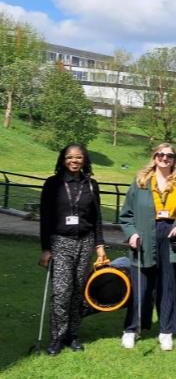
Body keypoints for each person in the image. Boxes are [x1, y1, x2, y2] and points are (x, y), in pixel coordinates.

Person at [119, 143, 176, 351]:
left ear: (174, 159)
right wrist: (132, 233)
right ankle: (131, 329)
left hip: (172, 237)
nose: (165, 158)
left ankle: (166, 330)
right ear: (154, 157)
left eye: (169, 155)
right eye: (161, 154)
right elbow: (126, 215)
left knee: (169, 285)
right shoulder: (141, 182)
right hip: (145, 235)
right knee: (141, 285)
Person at [38, 144, 106, 356]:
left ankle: (72, 335)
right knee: (61, 292)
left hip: (85, 243)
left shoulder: (91, 185)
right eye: (69, 157)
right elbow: (45, 219)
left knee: (78, 291)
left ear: (85, 160)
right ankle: (57, 336)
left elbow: (96, 219)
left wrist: (100, 246)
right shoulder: (52, 184)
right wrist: (46, 249)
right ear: (63, 160)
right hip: (60, 242)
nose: (74, 161)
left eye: (78, 157)